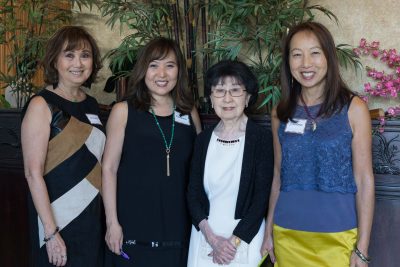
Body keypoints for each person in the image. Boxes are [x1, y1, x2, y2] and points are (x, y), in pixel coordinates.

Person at [261, 21, 375, 267]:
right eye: (297, 55)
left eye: (315, 53)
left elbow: (364, 181)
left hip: (338, 238)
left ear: (328, 57)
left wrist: (362, 249)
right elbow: (278, 175)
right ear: (288, 62)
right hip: (287, 235)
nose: (306, 64)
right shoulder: (279, 113)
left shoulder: (354, 109)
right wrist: (268, 232)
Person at [102, 37, 202, 267]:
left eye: (170, 65)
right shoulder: (123, 111)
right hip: (132, 222)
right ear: (143, 70)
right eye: (154, 65)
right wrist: (112, 223)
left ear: (179, 72)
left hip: (179, 222)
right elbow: (109, 169)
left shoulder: (189, 112)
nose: (162, 74)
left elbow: (199, 169)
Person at [21, 26, 105, 266]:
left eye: (85, 55)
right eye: (69, 55)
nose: (78, 63)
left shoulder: (92, 104)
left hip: (90, 218)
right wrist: (50, 232)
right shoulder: (41, 105)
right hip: (56, 219)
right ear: (54, 61)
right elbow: (32, 173)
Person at [187, 60, 274, 266]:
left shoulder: (261, 139)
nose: (227, 98)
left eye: (235, 90)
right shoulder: (203, 140)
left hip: (245, 239)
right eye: (219, 91)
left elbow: (261, 198)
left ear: (248, 97)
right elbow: (192, 193)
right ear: (211, 98)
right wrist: (212, 239)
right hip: (205, 237)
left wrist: (232, 243)